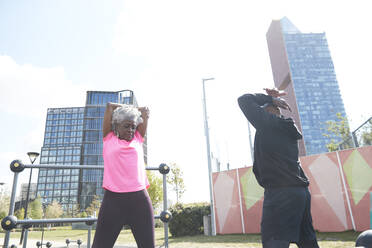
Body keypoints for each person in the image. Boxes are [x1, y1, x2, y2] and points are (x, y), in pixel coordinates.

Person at [237, 88, 319, 248]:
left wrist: (270, 99)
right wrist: (270, 99)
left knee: (274, 241)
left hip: (281, 193)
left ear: (269, 111)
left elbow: (244, 100)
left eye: (262, 110)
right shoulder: (285, 128)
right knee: (307, 241)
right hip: (300, 193)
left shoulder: (268, 124)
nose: (258, 114)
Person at [91, 103, 154, 248]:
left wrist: (134, 114)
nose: (131, 130)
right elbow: (109, 106)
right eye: (126, 126)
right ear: (116, 125)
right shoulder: (108, 138)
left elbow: (144, 110)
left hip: (140, 200)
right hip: (113, 201)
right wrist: (129, 111)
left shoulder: (138, 138)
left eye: (133, 126)